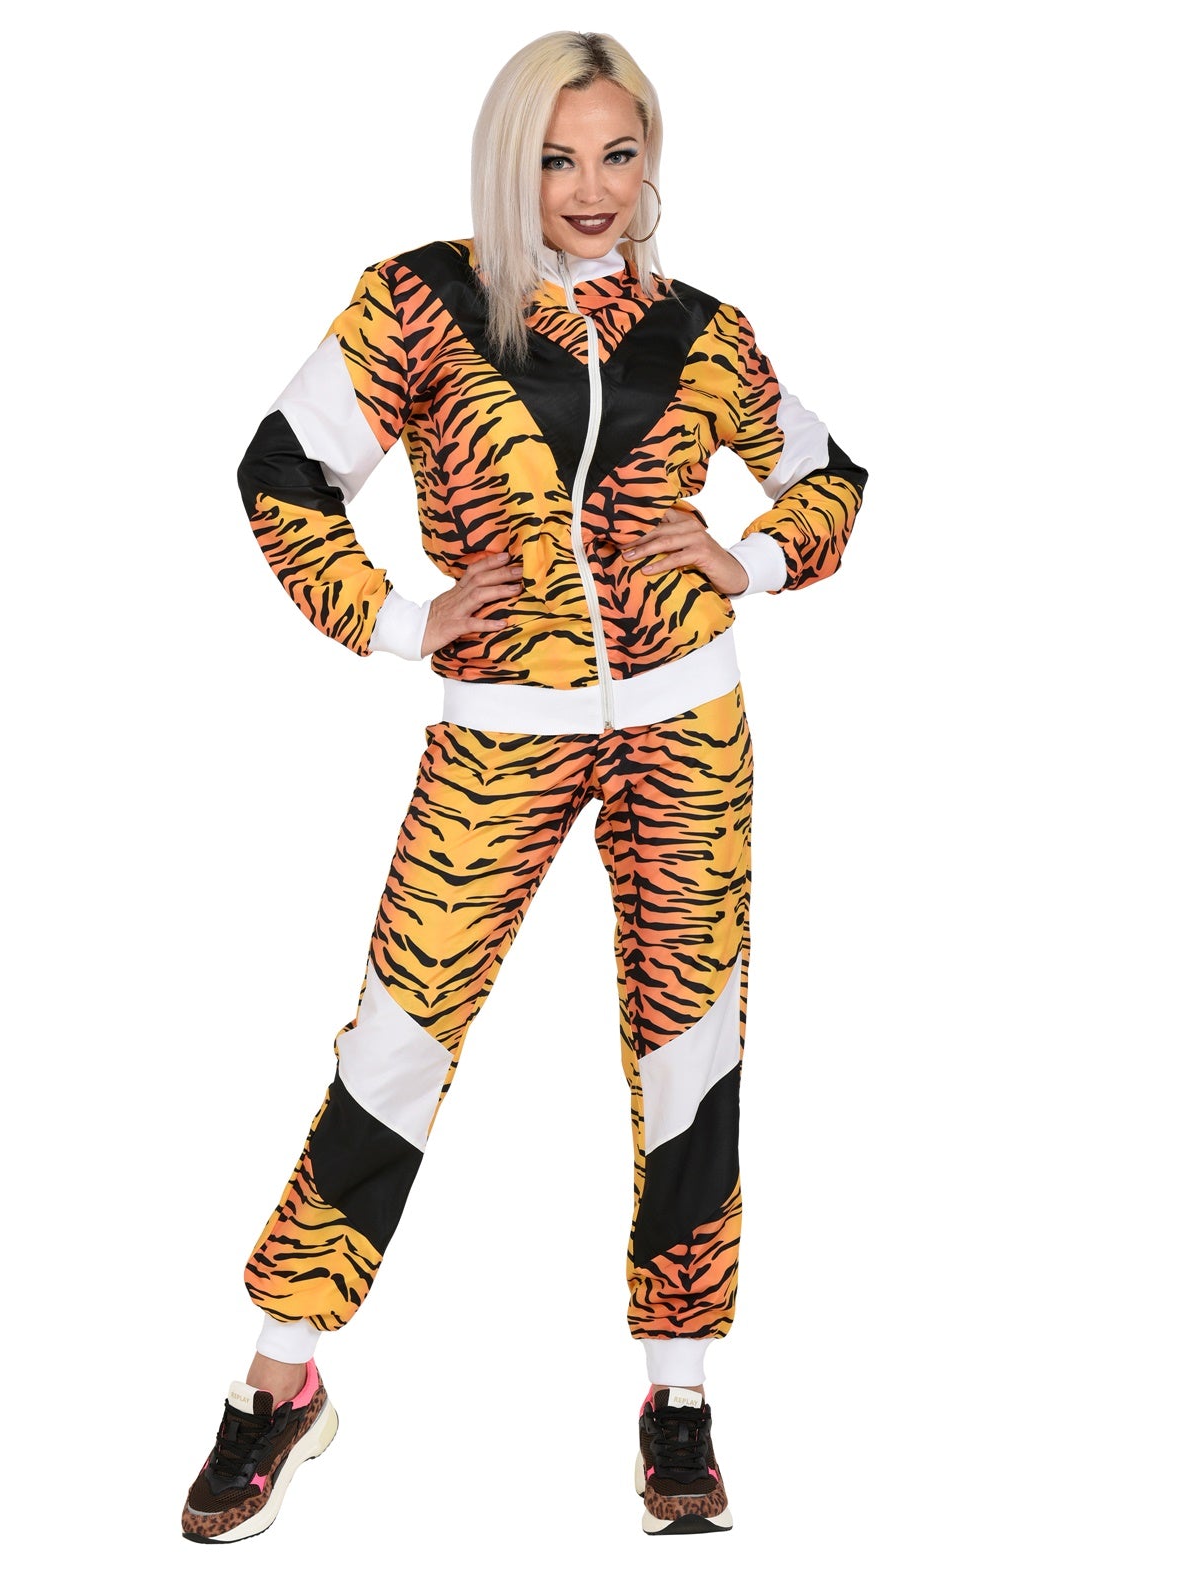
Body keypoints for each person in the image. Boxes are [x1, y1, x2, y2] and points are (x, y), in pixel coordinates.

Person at [181, 28, 868, 1543]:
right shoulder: (422, 304)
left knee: (690, 1050)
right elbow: (282, 467)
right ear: (510, 162)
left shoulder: (703, 329)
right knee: (397, 1034)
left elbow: (830, 476)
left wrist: (747, 558)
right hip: (502, 730)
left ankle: (677, 1398)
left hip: (689, 729)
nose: (589, 187)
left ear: (652, 161)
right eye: (556, 158)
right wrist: (394, 618)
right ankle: (281, 1380)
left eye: (618, 154)